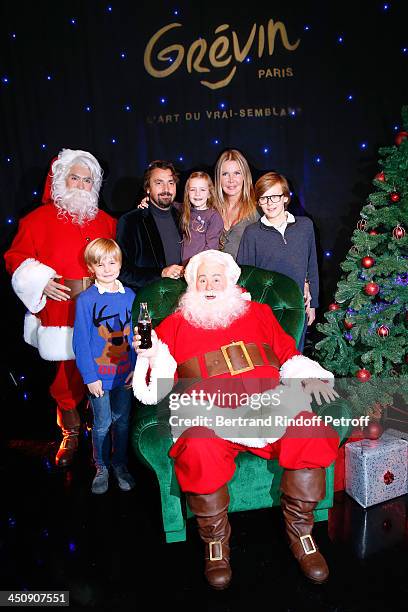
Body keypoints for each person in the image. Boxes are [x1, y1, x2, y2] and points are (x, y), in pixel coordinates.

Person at [132, 250, 339, 590]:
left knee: (310, 430)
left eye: (216, 278)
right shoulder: (174, 324)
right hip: (209, 411)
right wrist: (149, 355)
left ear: (230, 281)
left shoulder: (258, 313)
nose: (210, 285)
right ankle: (216, 543)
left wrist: (308, 376)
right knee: (197, 446)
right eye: (202, 279)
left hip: (267, 404)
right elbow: (157, 385)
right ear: (192, 286)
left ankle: (301, 533)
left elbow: (289, 356)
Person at [4, 149, 117, 467]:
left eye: (87, 179)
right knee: (65, 379)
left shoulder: (107, 221)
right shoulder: (35, 220)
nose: (81, 184)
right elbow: (15, 258)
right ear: (61, 180)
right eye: (75, 177)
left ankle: (100, 431)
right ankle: (71, 430)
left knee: (101, 374)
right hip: (61, 311)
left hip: (100, 311)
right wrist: (40, 281)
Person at [73, 239, 136, 494]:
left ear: (120, 264)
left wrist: (135, 368)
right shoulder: (86, 301)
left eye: (112, 262)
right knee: (102, 423)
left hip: (125, 375)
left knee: (122, 422)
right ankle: (101, 466)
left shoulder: (130, 296)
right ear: (91, 268)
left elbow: (133, 337)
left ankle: (119, 464)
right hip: (99, 378)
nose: (108, 269)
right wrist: (90, 376)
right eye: (101, 264)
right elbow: (81, 342)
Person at [237, 172, 319, 351]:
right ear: (258, 202)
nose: (269, 203)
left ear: (285, 198)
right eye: (264, 198)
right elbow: (244, 276)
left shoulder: (305, 226)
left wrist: (313, 304)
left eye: (274, 197)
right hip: (266, 310)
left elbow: (312, 266)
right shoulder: (252, 233)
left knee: (294, 357)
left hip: (296, 307)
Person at [116, 160, 184, 290]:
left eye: (171, 183)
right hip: (149, 301)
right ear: (148, 188)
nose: (166, 189)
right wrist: (161, 273)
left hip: (184, 299)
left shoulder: (184, 218)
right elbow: (122, 271)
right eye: (159, 183)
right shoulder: (130, 221)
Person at [214, 149, 259, 259]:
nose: (231, 180)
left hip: (247, 275)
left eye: (237, 173)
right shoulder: (210, 209)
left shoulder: (258, 210)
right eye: (225, 174)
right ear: (218, 178)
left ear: (245, 176)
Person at [179, 171, 224, 265]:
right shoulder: (184, 210)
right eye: (192, 190)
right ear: (187, 193)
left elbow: (211, 248)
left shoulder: (213, 216)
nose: (197, 194)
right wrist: (147, 200)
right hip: (182, 267)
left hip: (201, 267)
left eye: (202, 190)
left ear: (209, 194)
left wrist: (196, 265)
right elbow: (165, 205)